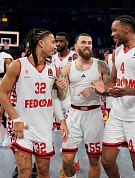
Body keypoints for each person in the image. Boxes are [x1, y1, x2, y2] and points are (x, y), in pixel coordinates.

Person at [92, 15, 135, 178]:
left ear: (126, 29)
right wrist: (104, 89)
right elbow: (113, 81)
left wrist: (128, 91)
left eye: (114, 30)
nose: (112, 34)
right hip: (116, 113)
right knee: (106, 161)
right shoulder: (117, 52)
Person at [0, 28, 68, 178]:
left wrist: (61, 116)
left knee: (44, 171)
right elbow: (1, 93)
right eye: (53, 42)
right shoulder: (18, 65)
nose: (56, 46)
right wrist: (16, 119)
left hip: (44, 127)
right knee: (24, 173)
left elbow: (56, 98)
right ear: (41, 43)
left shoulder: (53, 68)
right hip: (23, 127)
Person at [60, 33, 110, 178]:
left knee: (94, 160)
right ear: (75, 47)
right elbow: (62, 96)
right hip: (74, 114)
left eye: (89, 42)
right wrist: (59, 89)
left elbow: (110, 92)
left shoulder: (102, 65)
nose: (87, 45)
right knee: (67, 160)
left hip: (94, 115)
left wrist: (98, 90)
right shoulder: (67, 68)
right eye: (83, 42)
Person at [51, 32, 80, 175]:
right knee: (63, 132)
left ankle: (69, 165)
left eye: (61, 41)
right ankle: (75, 160)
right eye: (56, 41)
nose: (58, 44)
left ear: (67, 43)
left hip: (70, 98)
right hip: (56, 98)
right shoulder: (52, 57)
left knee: (69, 133)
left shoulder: (73, 56)